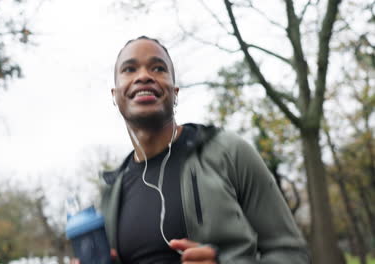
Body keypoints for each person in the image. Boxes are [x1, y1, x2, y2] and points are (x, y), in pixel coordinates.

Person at [100, 36, 309, 264]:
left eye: (158, 68)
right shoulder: (112, 192)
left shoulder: (228, 152)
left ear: (175, 92)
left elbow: (293, 254)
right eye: (129, 69)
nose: (143, 76)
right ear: (114, 95)